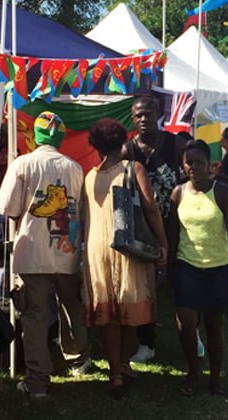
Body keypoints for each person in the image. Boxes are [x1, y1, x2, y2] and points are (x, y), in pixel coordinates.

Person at [0, 111, 90, 399]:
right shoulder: (75, 167)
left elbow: (9, 209)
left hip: (32, 252)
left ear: (36, 136)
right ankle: (79, 360)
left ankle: (37, 380)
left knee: (34, 314)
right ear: (60, 137)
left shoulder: (23, 164)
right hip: (67, 250)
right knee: (71, 306)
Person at [81, 118, 168, 398]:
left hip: (97, 245)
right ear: (122, 141)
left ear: (95, 146)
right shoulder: (134, 168)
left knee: (109, 312)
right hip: (127, 244)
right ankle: (123, 365)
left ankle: (116, 371)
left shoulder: (90, 176)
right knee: (129, 304)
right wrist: (163, 242)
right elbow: (150, 207)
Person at [169, 140, 228, 396]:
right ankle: (194, 371)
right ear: (183, 165)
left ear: (209, 163)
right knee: (186, 322)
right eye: (188, 162)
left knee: (214, 325)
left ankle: (215, 378)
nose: (194, 167)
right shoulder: (178, 193)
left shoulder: (223, 191)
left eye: (199, 162)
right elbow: (172, 233)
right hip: (187, 265)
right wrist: (169, 265)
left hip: (218, 267)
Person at [123, 95, 187, 363]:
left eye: (147, 114)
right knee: (146, 287)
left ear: (157, 113)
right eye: (137, 116)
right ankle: (146, 341)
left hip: (179, 223)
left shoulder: (175, 144)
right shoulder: (129, 150)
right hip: (145, 228)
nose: (143, 120)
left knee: (182, 282)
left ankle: (191, 334)